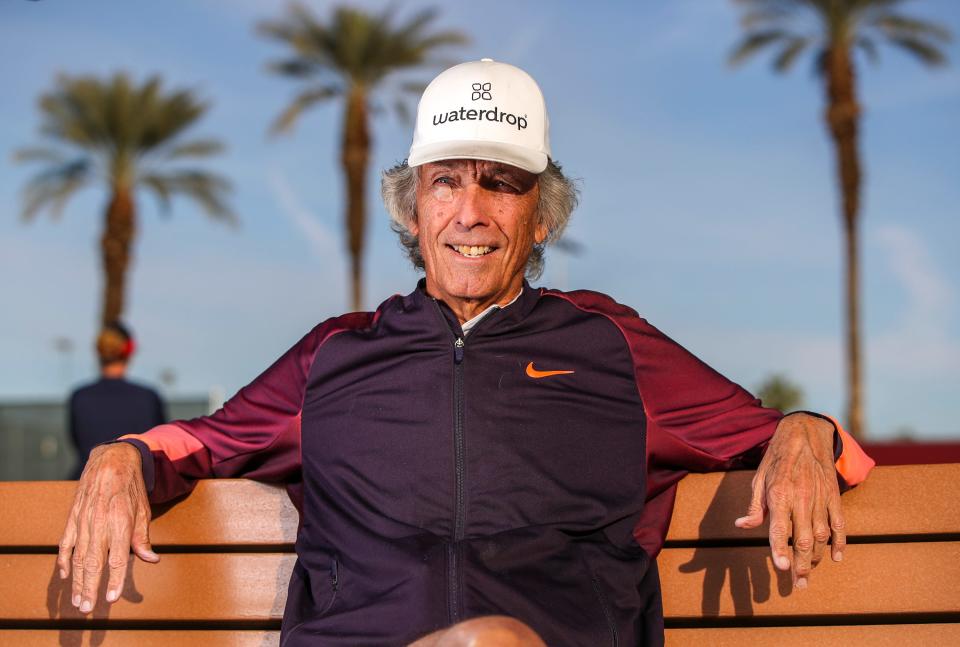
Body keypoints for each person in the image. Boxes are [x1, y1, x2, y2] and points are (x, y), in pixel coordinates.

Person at [57, 59, 874, 646]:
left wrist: (804, 430)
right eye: (446, 181)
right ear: (413, 209)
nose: (471, 211)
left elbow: (779, 433)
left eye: (502, 183)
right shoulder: (335, 355)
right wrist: (123, 457)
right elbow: (204, 440)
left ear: (543, 214)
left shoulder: (611, 346)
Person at [67, 321, 166, 479]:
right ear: (130, 349)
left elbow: (77, 443)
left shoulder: (79, 397)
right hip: (138, 485)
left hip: (86, 483)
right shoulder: (148, 398)